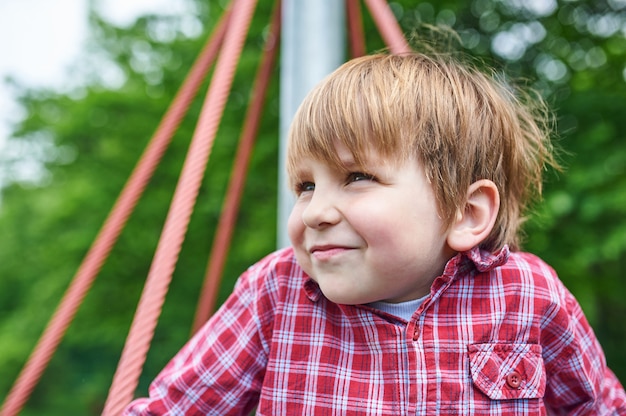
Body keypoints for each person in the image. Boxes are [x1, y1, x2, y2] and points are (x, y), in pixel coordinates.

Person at [123, 52, 626, 415]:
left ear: (467, 214)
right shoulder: (275, 294)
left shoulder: (527, 296)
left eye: (357, 177)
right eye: (304, 186)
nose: (315, 211)